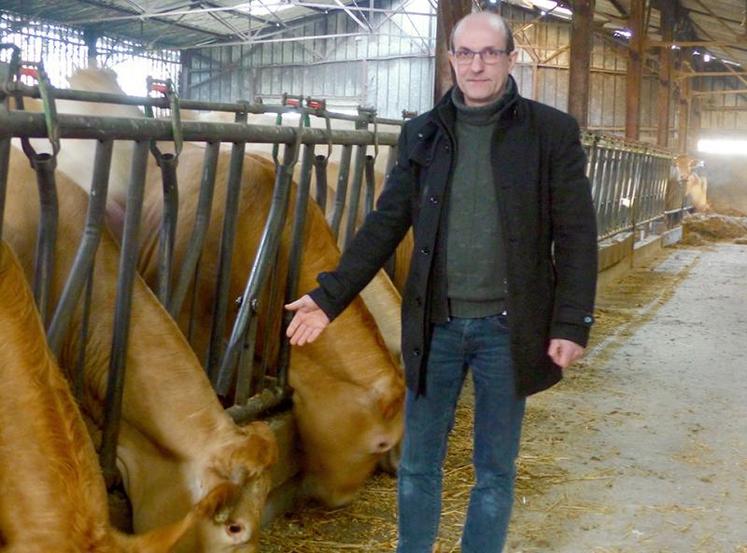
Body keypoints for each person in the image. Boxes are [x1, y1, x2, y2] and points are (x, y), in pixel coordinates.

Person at [285, 10, 598, 553]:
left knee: (494, 470)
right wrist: (328, 295)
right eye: (466, 54)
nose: (477, 65)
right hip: (437, 326)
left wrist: (571, 322)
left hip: (510, 325)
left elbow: (576, 235)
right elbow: (385, 225)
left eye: (489, 53)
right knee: (419, 465)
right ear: (451, 58)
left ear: (509, 58)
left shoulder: (551, 133)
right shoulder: (422, 134)